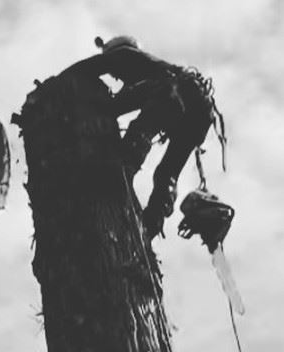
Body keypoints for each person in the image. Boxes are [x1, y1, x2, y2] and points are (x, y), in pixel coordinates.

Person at [61, 35, 232, 246]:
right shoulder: (154, 73)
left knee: (142, 128)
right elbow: (123, 102)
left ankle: (123, 168)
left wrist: (55, 86)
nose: (114, 76)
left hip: (175, 95)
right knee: (166, 174)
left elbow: (89, 68)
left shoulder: (125, 56)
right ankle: (151, 224)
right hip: (199, 115)